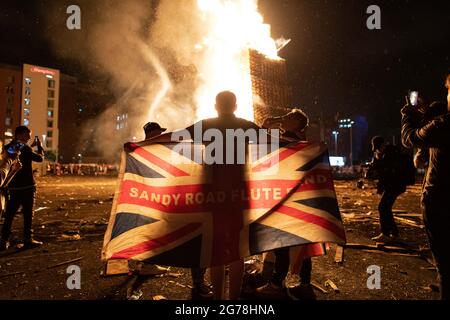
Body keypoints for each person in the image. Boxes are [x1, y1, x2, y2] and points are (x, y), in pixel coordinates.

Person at [148, 91, 262, 300]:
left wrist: (147, 143)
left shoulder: (207, 125)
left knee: (215, 250)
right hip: (239, 194)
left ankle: (218, 299)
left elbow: (174, 136)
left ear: (216, 105)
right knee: (238, 251)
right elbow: (276, 142)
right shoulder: (246, 125)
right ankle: (234, 301)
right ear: (235, 106)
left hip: (212, 195)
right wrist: (307, 147)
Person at [126, 122, 213, 300]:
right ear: (153, 133)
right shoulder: (152, 152)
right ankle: (197, 282)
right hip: (165, 202)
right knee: (195, 239)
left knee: (180, 236)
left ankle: (150, 264)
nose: (162, 136)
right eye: (159, 133)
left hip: (168, 201)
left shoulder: (156, 150)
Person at [255, 109, 323, 300]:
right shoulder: (297, 139)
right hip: (299, 197)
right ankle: (304, 283)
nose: (283, 119)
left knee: (282, 241)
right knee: (301, 240)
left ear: (298, 123)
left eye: (289, 117)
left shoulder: (290, 140)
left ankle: (277, 283)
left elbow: (263, 152)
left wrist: (263, 130)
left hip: (285, 197)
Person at [401, 74, 450, 300]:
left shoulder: (443, 125)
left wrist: (408, 116)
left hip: (440, 202)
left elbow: (410, 138)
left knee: (445, 266)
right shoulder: (440, 125)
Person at [0, 126, 45, 251]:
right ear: (19, 135)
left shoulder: (8, 148)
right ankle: (27, 239)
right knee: (28, 215)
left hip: (13, 188)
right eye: (27, 134)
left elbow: (20, 154)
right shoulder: (24, 148)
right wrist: (39, 146)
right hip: (27, 187)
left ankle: (3, 240)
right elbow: (40, 158)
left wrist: (30, 146)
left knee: (9, 215)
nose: (29, 137)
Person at [365, 136, 407, 243]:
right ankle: (394, 234)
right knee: (385, 208)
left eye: (379, 148)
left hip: (395, 185)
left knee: (383, 207)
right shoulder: (382, 155)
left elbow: (390, 171)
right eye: (376, 149)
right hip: (391, 185)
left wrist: (379, 167)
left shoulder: (392, 154)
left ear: (383, 145)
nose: (378, 150)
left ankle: (386, 234)